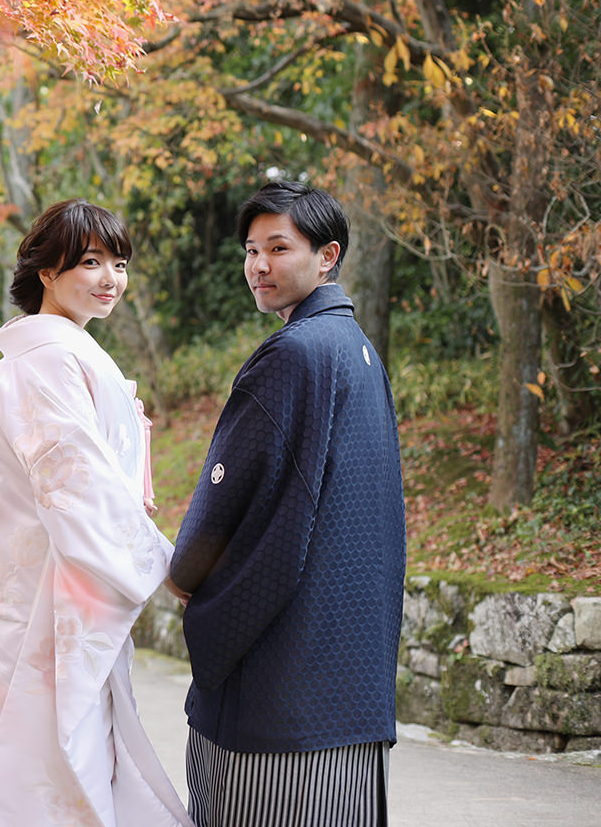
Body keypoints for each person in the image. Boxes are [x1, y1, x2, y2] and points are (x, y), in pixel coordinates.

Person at [0, 199, 191, 827]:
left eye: (118, 264)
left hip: (28, 595)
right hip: (45, 600)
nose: (110, 279)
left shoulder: (34, 364)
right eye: (91, 262)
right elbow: (79, 490)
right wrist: (175, 572)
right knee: (38, 767)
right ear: (46, 271)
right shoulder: (52, 361)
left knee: (13, 760)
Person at [167, 180, 404, 827]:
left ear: (327, 256)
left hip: (280, 693)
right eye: (251, 249)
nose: (259, 266)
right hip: (348, 685)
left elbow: (229, 496)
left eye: (278, 247)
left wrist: (186, 575)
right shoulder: (357, 351)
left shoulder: (293, 354)